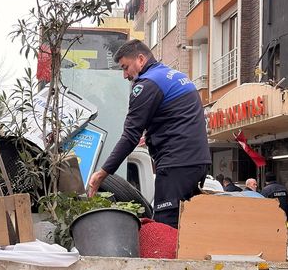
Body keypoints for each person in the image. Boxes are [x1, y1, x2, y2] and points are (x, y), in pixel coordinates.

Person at [86, 39, 210, 227]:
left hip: (176, 164)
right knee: (187, 227)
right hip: (198, 163)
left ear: (141, 59)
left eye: (125, 67)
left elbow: (130, 136)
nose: (125, 75)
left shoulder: (147, 84)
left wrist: (102, 174)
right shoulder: (175, 76)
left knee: (165, 227)